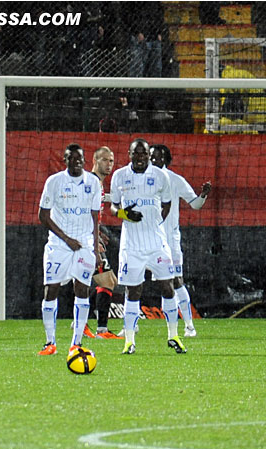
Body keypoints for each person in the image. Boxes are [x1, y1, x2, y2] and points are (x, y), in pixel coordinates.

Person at [109, 138, 185, 355]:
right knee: (133, 291)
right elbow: (113, 206)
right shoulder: (119, 176)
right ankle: (129, 341)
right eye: (136, 154)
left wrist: (155, 223)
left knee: (167, 287)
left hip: (157, 244)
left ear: (149, 156)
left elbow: (168, 203)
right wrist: (124, 214)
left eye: (144, 154)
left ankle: (174, 336)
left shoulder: (160, 176)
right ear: (129, 154)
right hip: (131, 246)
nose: (140, 158)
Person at [37, 143, 102, 356]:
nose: (77, 162)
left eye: (80, 159)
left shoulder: (93, 183)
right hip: (58, 246)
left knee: (82, 289)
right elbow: (43, 216)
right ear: (65, 160)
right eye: (72, 158)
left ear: (85, 161)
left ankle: (77, 342)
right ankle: (50, 342)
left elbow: (95, 216)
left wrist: (95, 247)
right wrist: (66, 238)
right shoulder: (54, 182)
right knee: (51, 289)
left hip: (83, 245)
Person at [149, 144, 212, 338]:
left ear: (165, 160)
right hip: (145, 241)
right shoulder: (143, 180)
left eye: (157, 158)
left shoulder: (175, 180)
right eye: (151, 157)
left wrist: (203, 195)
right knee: (132, 283)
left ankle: (189, 326)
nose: (153, 161)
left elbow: (195, 204)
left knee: (176, 281)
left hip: (169, 242)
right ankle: (129, 327)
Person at [85, 146, 123, 339]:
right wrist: (93, 241)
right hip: (84, 242)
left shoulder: (96, 184)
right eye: (104, 160)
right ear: (94, 160)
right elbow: (86, 214)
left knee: (107, 281)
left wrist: (97, 235)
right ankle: (100, 330)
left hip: (89, 238)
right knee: (107, 281)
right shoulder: (91, 183)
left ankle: (83, 322)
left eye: (111, 161)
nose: (109, 164)